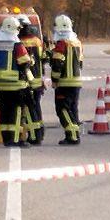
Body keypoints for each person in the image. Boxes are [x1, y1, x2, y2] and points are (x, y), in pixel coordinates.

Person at [0, 16, 27, 147]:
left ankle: (6, 139)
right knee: (16, 112)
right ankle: (15, 139)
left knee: (4, 112)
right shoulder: (16, 44)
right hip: (16, 85)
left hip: (0, 85)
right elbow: (24, 62)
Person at [46, 15, 85, 145]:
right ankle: (75, 134)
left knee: (62, 109)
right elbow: (80, 61)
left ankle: (72, 136)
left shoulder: (62, 44)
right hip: (76, 81)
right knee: (73, 109)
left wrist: (54, 80)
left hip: (65, 82)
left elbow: (57, 64)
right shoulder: (77, 42)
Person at [17, 20, 46, 145]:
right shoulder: (38, 41)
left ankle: (34, 136)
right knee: (36, 107)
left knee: (29, 109)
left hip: (27, 80)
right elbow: (44, 58)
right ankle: (40, 132)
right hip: (38, 80)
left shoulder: (19, 43)